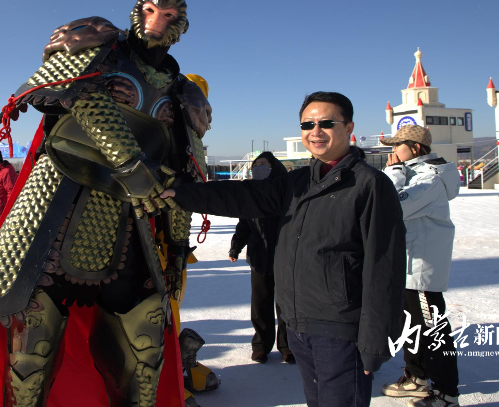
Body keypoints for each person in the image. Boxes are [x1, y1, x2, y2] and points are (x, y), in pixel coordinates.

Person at [0, 0, 211, 407]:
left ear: (181, 25)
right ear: (137, 11)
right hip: (59, 202)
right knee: (31, 352)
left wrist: (177, 246)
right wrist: (132, 167)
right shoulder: (97, 42)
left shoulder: (183, 90)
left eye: (169, 15)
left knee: (144, 352)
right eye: (151, 10)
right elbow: (77, 97)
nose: (157, 21)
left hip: (130, 221)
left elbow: (184, 169)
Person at [163, 91, 406, 407]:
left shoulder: (370, 185)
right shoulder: (297, 182)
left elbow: (385, 268)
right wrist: (181, 194)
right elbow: (243, 196)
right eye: (307, 124)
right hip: (298, 324)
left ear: (348, 128)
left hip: (341, 329)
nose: (315, 131)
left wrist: (376, 343)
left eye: (326, 123)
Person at [379, 125, 461, 407]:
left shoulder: (429, 179)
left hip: (421, 269)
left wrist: (394, 173)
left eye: (397, 145)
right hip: (408, 266)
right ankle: (417, 376)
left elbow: (390, 207)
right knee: (412, 326)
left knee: (433, 330)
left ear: (415, 148)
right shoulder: (414, 174)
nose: (393, 152)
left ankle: (446, 393)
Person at [229, 152, 293, 364]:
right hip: (259, 257)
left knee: (286, 305)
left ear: (274, 168)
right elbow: (244, 224)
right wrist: (235, 248)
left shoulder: (287, 192)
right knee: (260, 304)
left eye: (263, 164)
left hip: (285, 257)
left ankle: (288, 346)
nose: (258, 168)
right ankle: (261, 346)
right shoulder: (251, 193)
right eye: (255, 165)